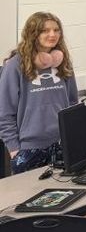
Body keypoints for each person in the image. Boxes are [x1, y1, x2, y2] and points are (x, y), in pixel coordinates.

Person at [0, 12, 79, 174]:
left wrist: (72, 136)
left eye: (56, 30)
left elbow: (73, 103)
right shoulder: (15, 66)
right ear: (33, 33)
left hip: (62, 143)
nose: (52, 34)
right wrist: (14, 148)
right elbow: (5, 112)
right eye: (45, 30)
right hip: (28, 149)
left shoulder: (63, 63)